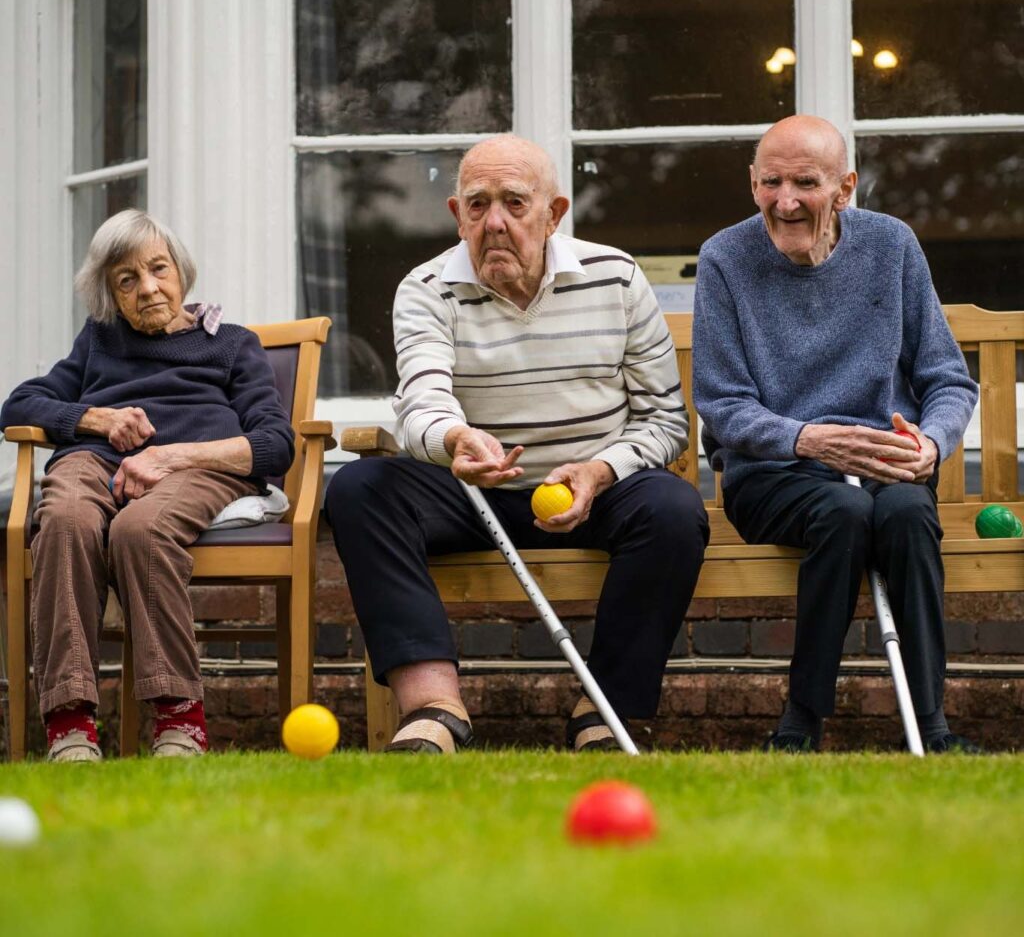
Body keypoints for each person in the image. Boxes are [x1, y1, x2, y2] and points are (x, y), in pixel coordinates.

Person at [327, 134, 708, 753]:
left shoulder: (615, 277)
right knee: (360, 489)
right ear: (457, 216)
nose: (495, 222)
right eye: (477, 205)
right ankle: (433, 709)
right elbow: (423, 396)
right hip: (474, 488)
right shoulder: (425, 288)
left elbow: (665, 421)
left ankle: (602, 713)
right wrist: (456, 438)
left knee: (673, 511)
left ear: (554, 214)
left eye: (514, 203)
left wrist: (601, 471)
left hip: (592, 490)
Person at [692, 115, 980, 753]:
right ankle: (801, 723)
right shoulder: (724, 259)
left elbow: (949, 382)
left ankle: (933, 727)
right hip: (772, 473)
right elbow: (721, 402)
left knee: (906, 514)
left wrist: (930, 442)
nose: (785, 201)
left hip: (884, 466)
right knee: (843, 510)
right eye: (770, 183)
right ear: (752, 183)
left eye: (805, 183)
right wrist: (809, 440)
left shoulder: (892, 246)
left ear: (846, 187)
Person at [1, 210, 294, 761]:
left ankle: (179, 720)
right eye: (126, 280)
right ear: (111, 294)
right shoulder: (99, 341)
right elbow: (18, 405)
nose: (148, 287)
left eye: (158, 268)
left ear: (181, 270)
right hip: (95, 459)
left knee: (141, 529)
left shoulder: (231, 344)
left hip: (194, 469)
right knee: (64, 520)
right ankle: (69, 726)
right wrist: (99, 419)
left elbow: (276, 445)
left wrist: (170, 456)